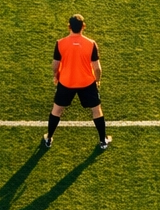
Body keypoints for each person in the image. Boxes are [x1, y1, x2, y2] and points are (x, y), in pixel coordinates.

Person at [43, 14, 111, 150]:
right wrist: (97, 80)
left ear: (69, 27)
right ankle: (103, 140)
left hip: (66, 82)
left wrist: (56, 76)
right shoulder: (91, 44)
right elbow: (97, 68)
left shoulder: (60, 43)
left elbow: (55, 65)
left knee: (57, 110)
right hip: (87, 83)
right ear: (83, 27)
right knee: (96, 111)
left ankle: (49, 138)